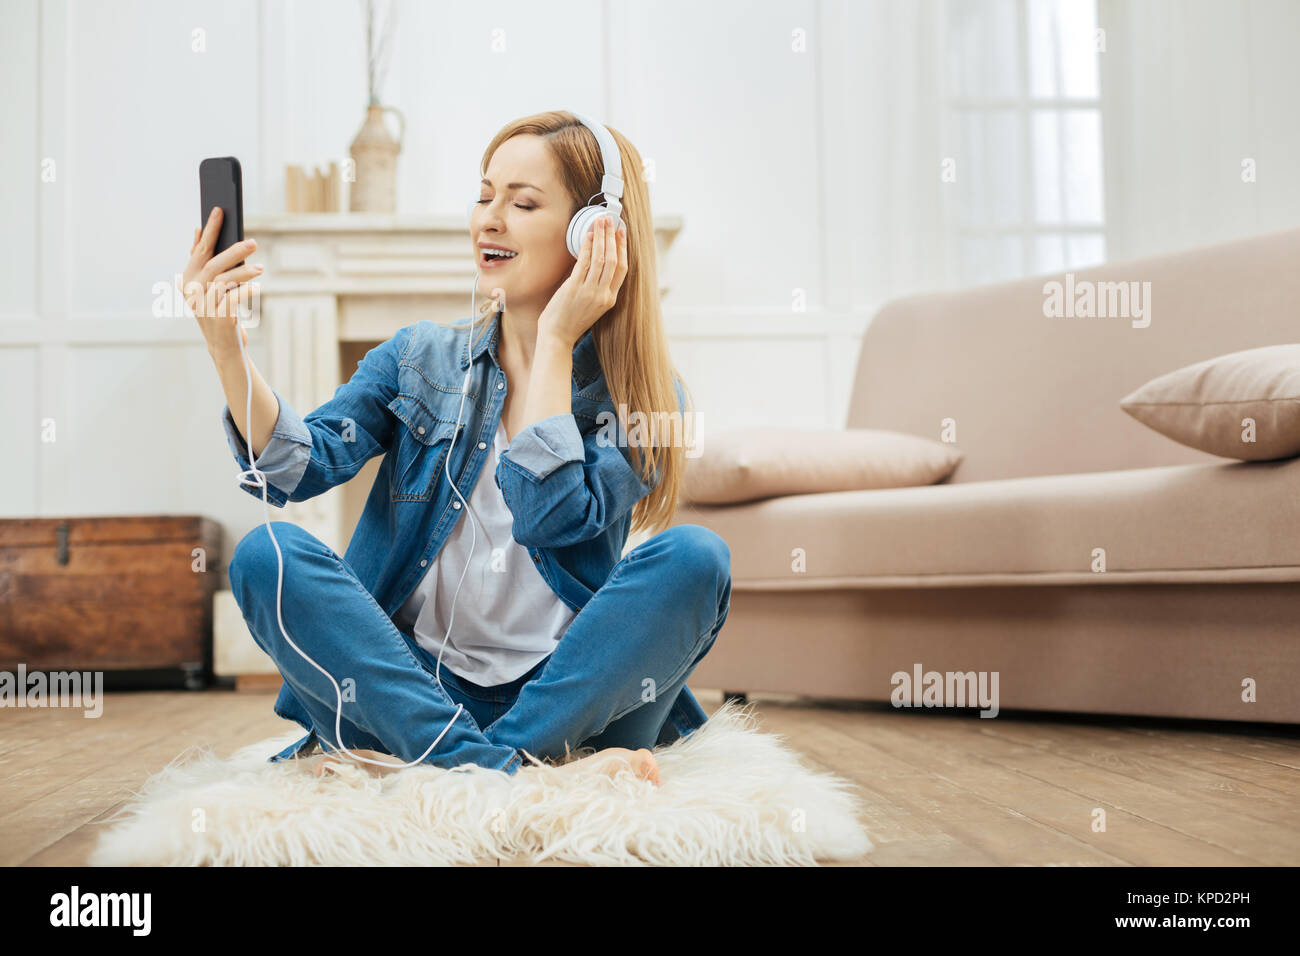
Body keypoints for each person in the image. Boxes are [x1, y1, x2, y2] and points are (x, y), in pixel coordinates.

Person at [180, 110, 732, 785]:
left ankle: (431, 768)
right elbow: (294, 469)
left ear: (595, 234)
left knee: (698, 558)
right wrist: (225, 346)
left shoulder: (644, 399)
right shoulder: (419, 358)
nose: (489, 219)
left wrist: (556, 342)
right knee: (268, 555)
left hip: (570, 701)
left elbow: (545, 516)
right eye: (484, 195)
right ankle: (508, 773)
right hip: (412, 692)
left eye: (523, 202)